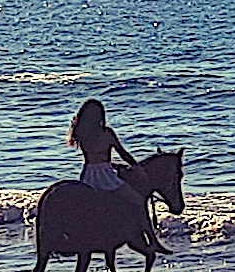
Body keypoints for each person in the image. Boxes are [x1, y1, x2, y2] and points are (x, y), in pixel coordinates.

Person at [68, 98, 167, 255]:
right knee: (138, 201)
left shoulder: (81, 133)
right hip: (106, 176)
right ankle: (153, 241)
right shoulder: (106, 133)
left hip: (88, 175)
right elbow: (123, 153)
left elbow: (94, 158)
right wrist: (137, 168)